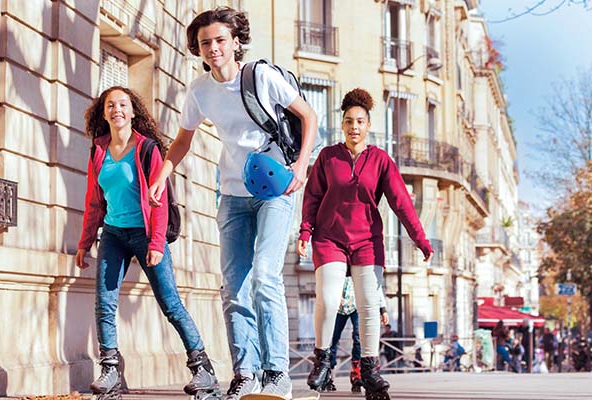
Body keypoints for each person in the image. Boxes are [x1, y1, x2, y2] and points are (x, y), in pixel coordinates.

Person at [146, 7, 318, 399]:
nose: (213, 48)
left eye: (221, 40)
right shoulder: (200, 90)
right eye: (206, 42)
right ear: (199, 48)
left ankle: (277, 373)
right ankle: (246, 374)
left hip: (276, 190)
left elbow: (308, 116)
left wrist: (301, 167)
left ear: (236, 41)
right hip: (232, 195)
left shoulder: (261, 76)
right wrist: (161, 175)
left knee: (265, 275)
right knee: (234, 288)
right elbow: (184, 139)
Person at [75, 86, 220, 397]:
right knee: (104, 304)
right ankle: (110, 369)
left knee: (170, 304)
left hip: (145, 232)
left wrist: (156, 243)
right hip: (113, 233)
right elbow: (93, 201)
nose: (117, 109)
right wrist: (84, 243)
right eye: (110, 105)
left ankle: (203, 368)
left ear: (132, 111)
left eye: (123, 104)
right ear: (104, 112)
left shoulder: (147, 149)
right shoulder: (98, 150)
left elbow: (160, 200)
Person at [298, 88, 433, 400]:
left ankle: (370, 372)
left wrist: (420, 239)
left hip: (366, 241)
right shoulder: (328, 157)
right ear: (342, 124)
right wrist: (305, 232)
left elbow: (402, 203)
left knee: (369, 306)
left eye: (359, 121)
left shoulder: (381, 160)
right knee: (329, 300)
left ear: (368, 125)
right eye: (348, 121)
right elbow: (312, 197)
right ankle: (322, 360)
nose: (353, 127)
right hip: (330, 238)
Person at [327, 278, 389, 393]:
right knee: (332, 339)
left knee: (358, 337)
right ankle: (328, 372)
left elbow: (376, 284)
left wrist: (383, 309)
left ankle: (357, 372)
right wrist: (332, 295)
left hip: (356, 306)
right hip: (337, 307)